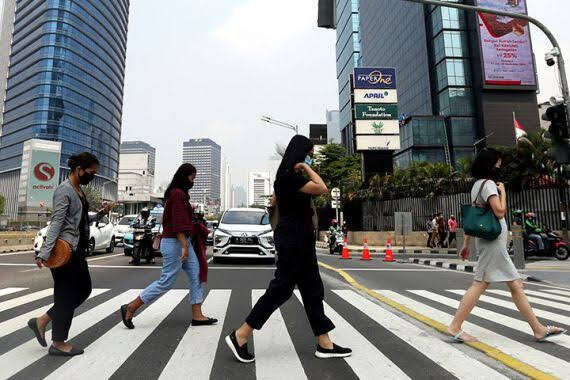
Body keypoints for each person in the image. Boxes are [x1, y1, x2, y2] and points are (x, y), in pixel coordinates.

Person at [225, 135, 351, 363]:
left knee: (313, 290)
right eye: (309, 154)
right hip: (294, 240)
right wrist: (304, 167)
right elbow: (322, 188)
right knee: (281, 289)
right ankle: (241, 334)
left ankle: (325, 343)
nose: (311, 158)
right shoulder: (289, 177)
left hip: (299, 239)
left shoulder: (287, 178)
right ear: (300, 154)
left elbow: (276, 202)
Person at [449, 148, 566, 343]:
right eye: (497, 164)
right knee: (481, 283)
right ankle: (455, 326)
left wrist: (467, 244)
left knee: (514, 284)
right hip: (493, 244)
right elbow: (500, 212)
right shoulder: (488, 185)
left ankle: (537, 329)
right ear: (490, 164)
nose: (499, 167)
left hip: (490, 243)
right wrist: (502, 192)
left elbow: (474, 218)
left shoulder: (476, 185)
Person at [29, 152, 113, 356]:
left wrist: (101, 214)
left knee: (83, 290)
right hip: (65, 252)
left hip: (78, 251)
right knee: (66, 295)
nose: (92, 176)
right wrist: (44, 252)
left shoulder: (79, 191)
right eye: (91, 172)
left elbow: (80, 220)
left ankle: (42, 321)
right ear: (79, 170)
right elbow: (57, 222)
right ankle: (58, 342)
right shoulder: (64, 191)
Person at [120, 163, 216, 329]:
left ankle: (197, 315)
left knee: (196, 274)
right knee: (167, 281)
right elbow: (178, 224)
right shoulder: (177, 194)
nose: (193, 181)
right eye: (192, 178)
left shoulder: (179, 194)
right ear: (185, 176)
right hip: (175, 242)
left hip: (180, 241)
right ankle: (131, 306)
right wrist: (185, 247)